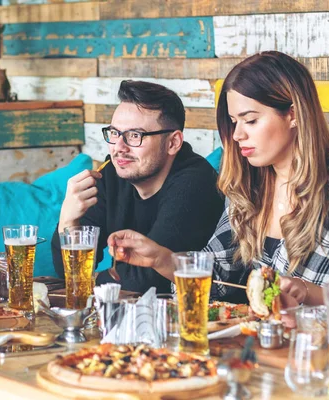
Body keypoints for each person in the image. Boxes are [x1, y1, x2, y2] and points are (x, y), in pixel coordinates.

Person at [107, 51, 329, 306]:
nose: (237, 135)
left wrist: (306, 292)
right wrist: (161, 259)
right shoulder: (249, 185)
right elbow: (218, 280)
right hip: (253, 340)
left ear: (293, 115)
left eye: (251, 120)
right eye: (234, 122)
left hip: (321, 343)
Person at [51, 80, 224, 294]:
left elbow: (144, 281)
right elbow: (67, 273)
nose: (119, 148)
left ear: (173, 143)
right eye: (114, 133)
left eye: (135, 135)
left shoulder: (195, 183)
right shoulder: (112, 173)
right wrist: (68, 220)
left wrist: (89, 281)